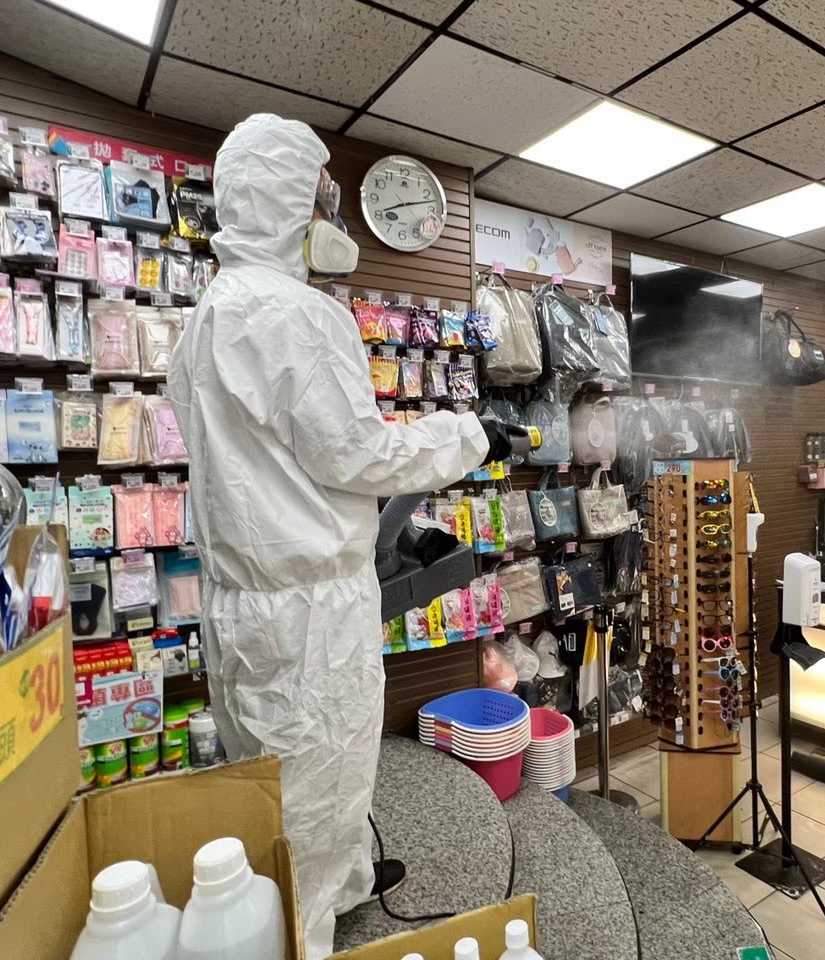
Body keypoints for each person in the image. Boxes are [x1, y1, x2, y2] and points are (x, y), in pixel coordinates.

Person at [169, 114, 513, 955]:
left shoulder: (208, 313)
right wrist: (469, 435)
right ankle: (307, 933)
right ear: (287, 202)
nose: (331, 216)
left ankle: (344, 883)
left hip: (241, 602)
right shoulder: (297, 314)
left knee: (273, 770)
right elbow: (360, 454)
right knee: (317, 783)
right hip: (310, 611)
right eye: (321, 197)